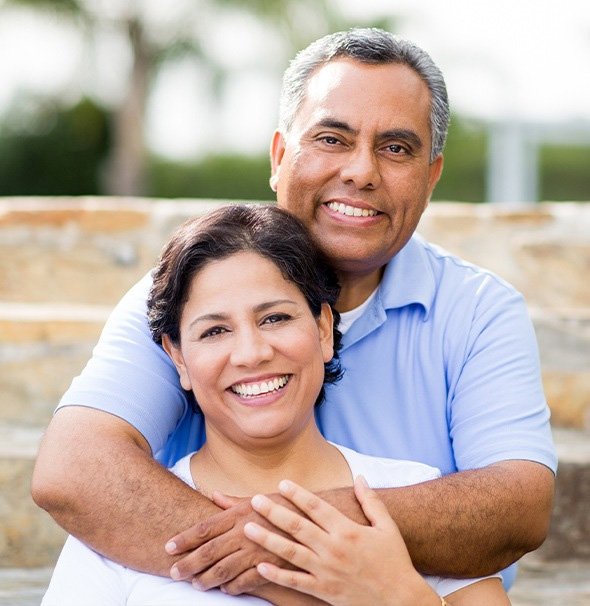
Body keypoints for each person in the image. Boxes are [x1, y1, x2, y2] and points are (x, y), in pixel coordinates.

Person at [32, 27, 556, 596]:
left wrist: (288, 537)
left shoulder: (479, 311)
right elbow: (76, 469)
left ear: (431, 177)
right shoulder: (190, 291)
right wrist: (297, 575)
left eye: (397, 148)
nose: (361, 171)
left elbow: (518, 506)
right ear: (280, 156)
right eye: (332, 138)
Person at [41, 204, 509, 605]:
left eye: (275, 318)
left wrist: (398, 596)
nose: (251, 353)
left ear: (324, 329)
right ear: (177, 358)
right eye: (215, 331)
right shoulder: (119, 526)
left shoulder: (411, 493)